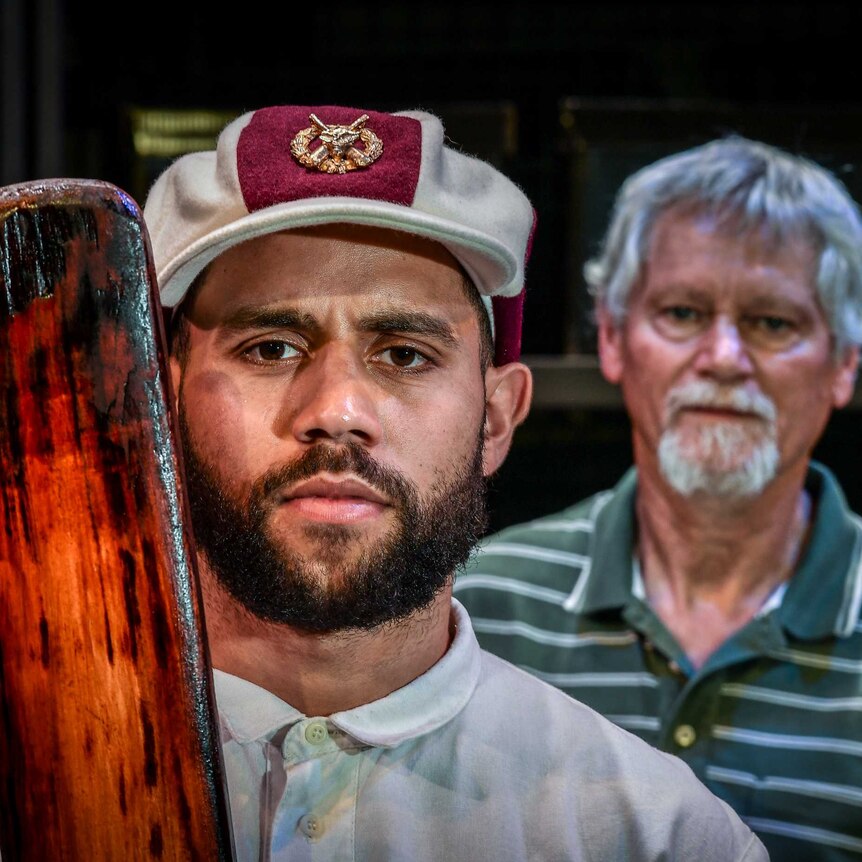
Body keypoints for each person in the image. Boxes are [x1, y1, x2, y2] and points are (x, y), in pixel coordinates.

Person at [142, 104, 767, 861]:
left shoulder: (658, 836)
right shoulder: (30, 776)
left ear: (497, 420)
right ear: (160, 406)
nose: (337, 412)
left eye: (405, 354)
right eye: (271, 347)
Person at [454, 135, 862, 861]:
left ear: (845, 364)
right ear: (611, 337)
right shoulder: (473, 605)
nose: (725, 359)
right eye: (681, 313)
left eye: (773, 323)